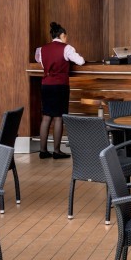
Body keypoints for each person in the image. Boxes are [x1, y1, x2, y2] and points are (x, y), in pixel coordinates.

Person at [35, 22, 84, 159]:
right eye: (65, 36)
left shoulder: (42, 49)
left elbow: (41, 62)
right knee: (58, 117)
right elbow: (80, 61)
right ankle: (57, 151)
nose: (66, 39)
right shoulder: (67, 48)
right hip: (60, 85)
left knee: (46, 117)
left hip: (46, 85)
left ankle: (43, 151)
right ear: (62, 35)